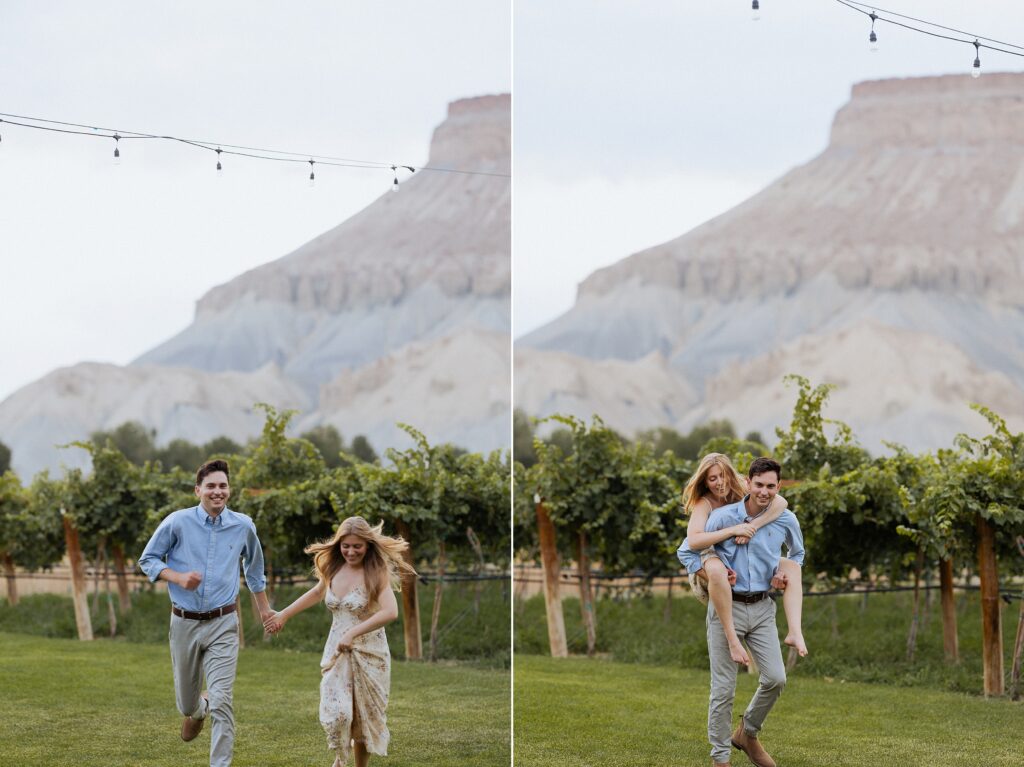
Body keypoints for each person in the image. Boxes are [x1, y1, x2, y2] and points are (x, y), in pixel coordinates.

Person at [138, 459, 271, 767]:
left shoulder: (243, 526)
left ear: (229, 490)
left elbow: (254, 571)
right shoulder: (177, 522)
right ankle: (200, 708)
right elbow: (149, 560)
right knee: (186, 702)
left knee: (224, 702)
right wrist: (178, 578)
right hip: (184, 623)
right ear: (198, 490)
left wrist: (265, 611)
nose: (217, 491)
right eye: (210, 486)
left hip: (224, 622)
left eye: (222, 486)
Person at [678, 456, 805, 767]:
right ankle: (720, 759)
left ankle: (747, 733)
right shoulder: (721, 516)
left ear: (778, 486)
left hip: (763, 608)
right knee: (723, 689)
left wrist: (783, 574)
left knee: (776, 678)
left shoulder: (785, 518)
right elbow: (687, 548)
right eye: (758, 484)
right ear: (748, 483)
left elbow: (797, 555)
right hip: (727, 607)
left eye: (770, 486)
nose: (764, 491)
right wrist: (710, 572)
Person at [263, 517, 415, 767]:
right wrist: (283, 615)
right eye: (346, 546)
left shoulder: (375, 573)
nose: (351, 551)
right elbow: (316, 592)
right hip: (338, 651)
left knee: (363, 717)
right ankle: (340, 758)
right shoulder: (333, 569)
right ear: (338, 544)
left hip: (369, 653)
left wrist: (353, 633)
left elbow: (390, 612)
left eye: (357, 546)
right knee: (339, 712)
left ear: (367, 545)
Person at [680, 453, 807, 664]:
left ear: (732, 475)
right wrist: (733, 531)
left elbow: (781, 502)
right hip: (706, 555)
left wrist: (753, 527)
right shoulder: (705, 504)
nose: (719, 482)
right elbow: (690, 546)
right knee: (717, 571)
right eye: (712, 479)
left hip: (741, 559)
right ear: (705, 482)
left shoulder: (747, 488)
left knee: (793, 568)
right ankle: (732, 640)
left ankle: (795, 632)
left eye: (722, 475)